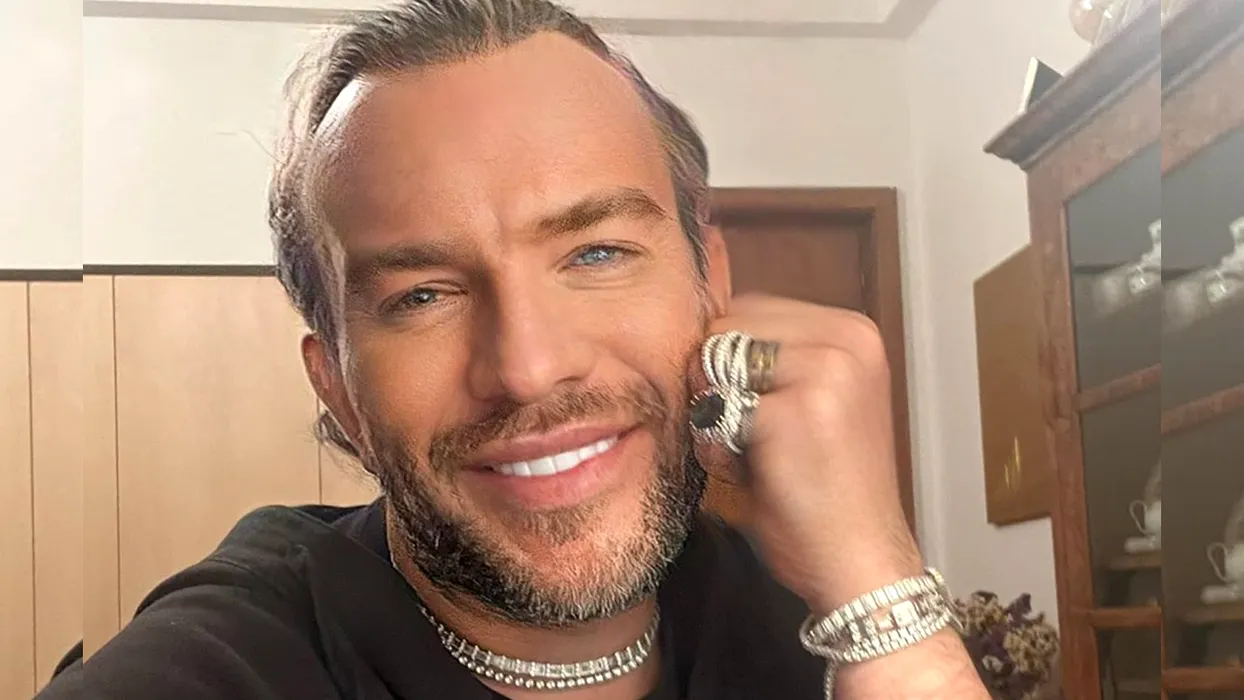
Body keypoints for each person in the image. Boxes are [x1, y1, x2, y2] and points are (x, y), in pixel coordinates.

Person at [41, 1, 990, 698]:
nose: (529, 368)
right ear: (338, 391)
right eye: (422, 296)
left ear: (711, 285)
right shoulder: (231, 661)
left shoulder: (805, 612)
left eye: (597, 253)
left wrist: (885, 609)